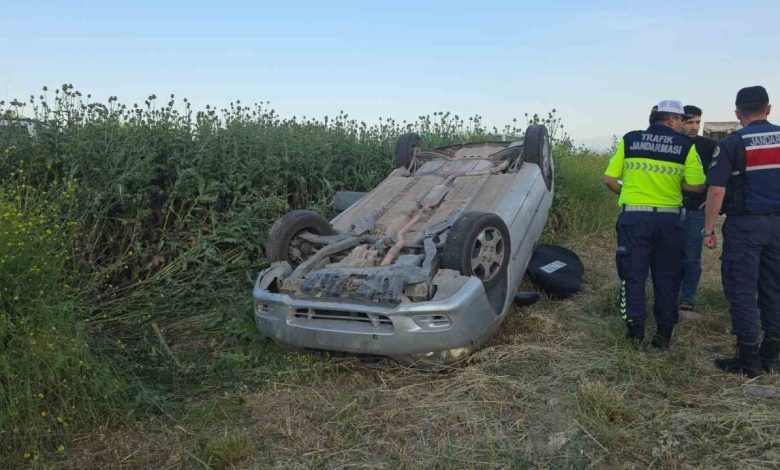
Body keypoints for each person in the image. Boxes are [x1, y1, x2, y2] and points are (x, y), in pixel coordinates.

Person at [603, 100, 705, 349]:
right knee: (668, 276)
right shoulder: (685, 146)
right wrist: (675, 184)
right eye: (682, 120)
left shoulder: (630, 140)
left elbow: (609, 180)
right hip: (669, 221)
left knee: (632, 274)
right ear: (671, 120)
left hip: (634, 219)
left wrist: (628, 193)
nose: (684, 125)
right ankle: (663, 335)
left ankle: (635, 332)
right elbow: (697, 185)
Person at [703, 86, 780, 377]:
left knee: (742, 290)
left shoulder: (733, 143)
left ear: (737, 113)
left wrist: (708, 230)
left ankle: (748, 359)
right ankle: (771, 354)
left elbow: (717, 190)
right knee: (775, 288)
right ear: (768, 109)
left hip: (746, 226)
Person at [679, 106, 718, 313]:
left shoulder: (709, 146)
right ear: (680, 122)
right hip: (671, 208)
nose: (694, 127)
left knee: (692, 256)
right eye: (689, 122)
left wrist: (711, 201)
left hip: (696, 209)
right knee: (669, 254)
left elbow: (718, 177)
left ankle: (687, 297)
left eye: (697, 122)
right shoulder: (673, 144)